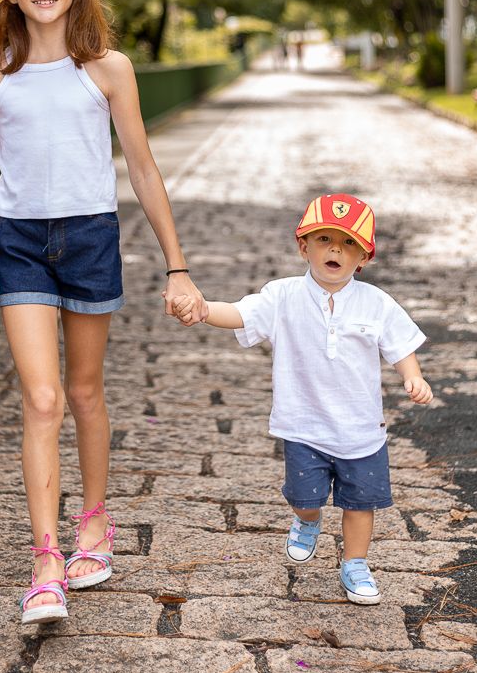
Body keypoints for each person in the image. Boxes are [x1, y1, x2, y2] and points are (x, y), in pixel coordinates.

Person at [0, 0, 206, 625]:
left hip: (92, 235)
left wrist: (178, 266)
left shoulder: (109, 69)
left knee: (84, 391)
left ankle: (93, 528)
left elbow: (141, 165)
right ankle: (45, 564)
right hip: (19, 243)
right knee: (42, 400)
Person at [170, 193, 432, 606]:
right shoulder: (283, 296)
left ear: (363, 257)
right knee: (304, 496)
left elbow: (400, 345)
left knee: (361, 504)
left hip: (361, 431)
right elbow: (242, 313)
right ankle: (306, 522)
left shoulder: (376, 303)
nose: (335, 249)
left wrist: (412, 377)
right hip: (304, 426)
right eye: (325, 238)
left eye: (348, 244)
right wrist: (203, 310)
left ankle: (356, 563)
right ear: (303, 246)